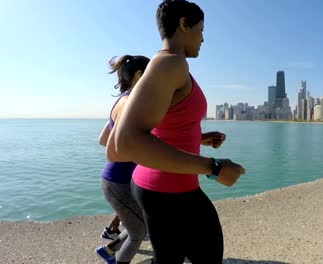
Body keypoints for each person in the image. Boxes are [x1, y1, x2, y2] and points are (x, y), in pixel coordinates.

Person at [106, 1, 246, 263]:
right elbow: (124, 144)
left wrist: (200, 138)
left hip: (165, 186)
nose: (203, 37)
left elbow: (159, 127)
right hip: (166, 190)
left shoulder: (170, 66)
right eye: (200, 29)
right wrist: (214, 167)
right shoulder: (170, 64)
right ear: (183, 24)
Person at [97, 55, 150, 264]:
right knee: (139, 232)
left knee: (140, 225)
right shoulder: (129, 103)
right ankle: (113, 255)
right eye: (151, 75)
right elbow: (112, 149)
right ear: (139, 75)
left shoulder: (122, 100)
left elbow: (103, 139)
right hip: (118, 182)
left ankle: (108, 250)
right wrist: (145, 153)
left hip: (118, 179)